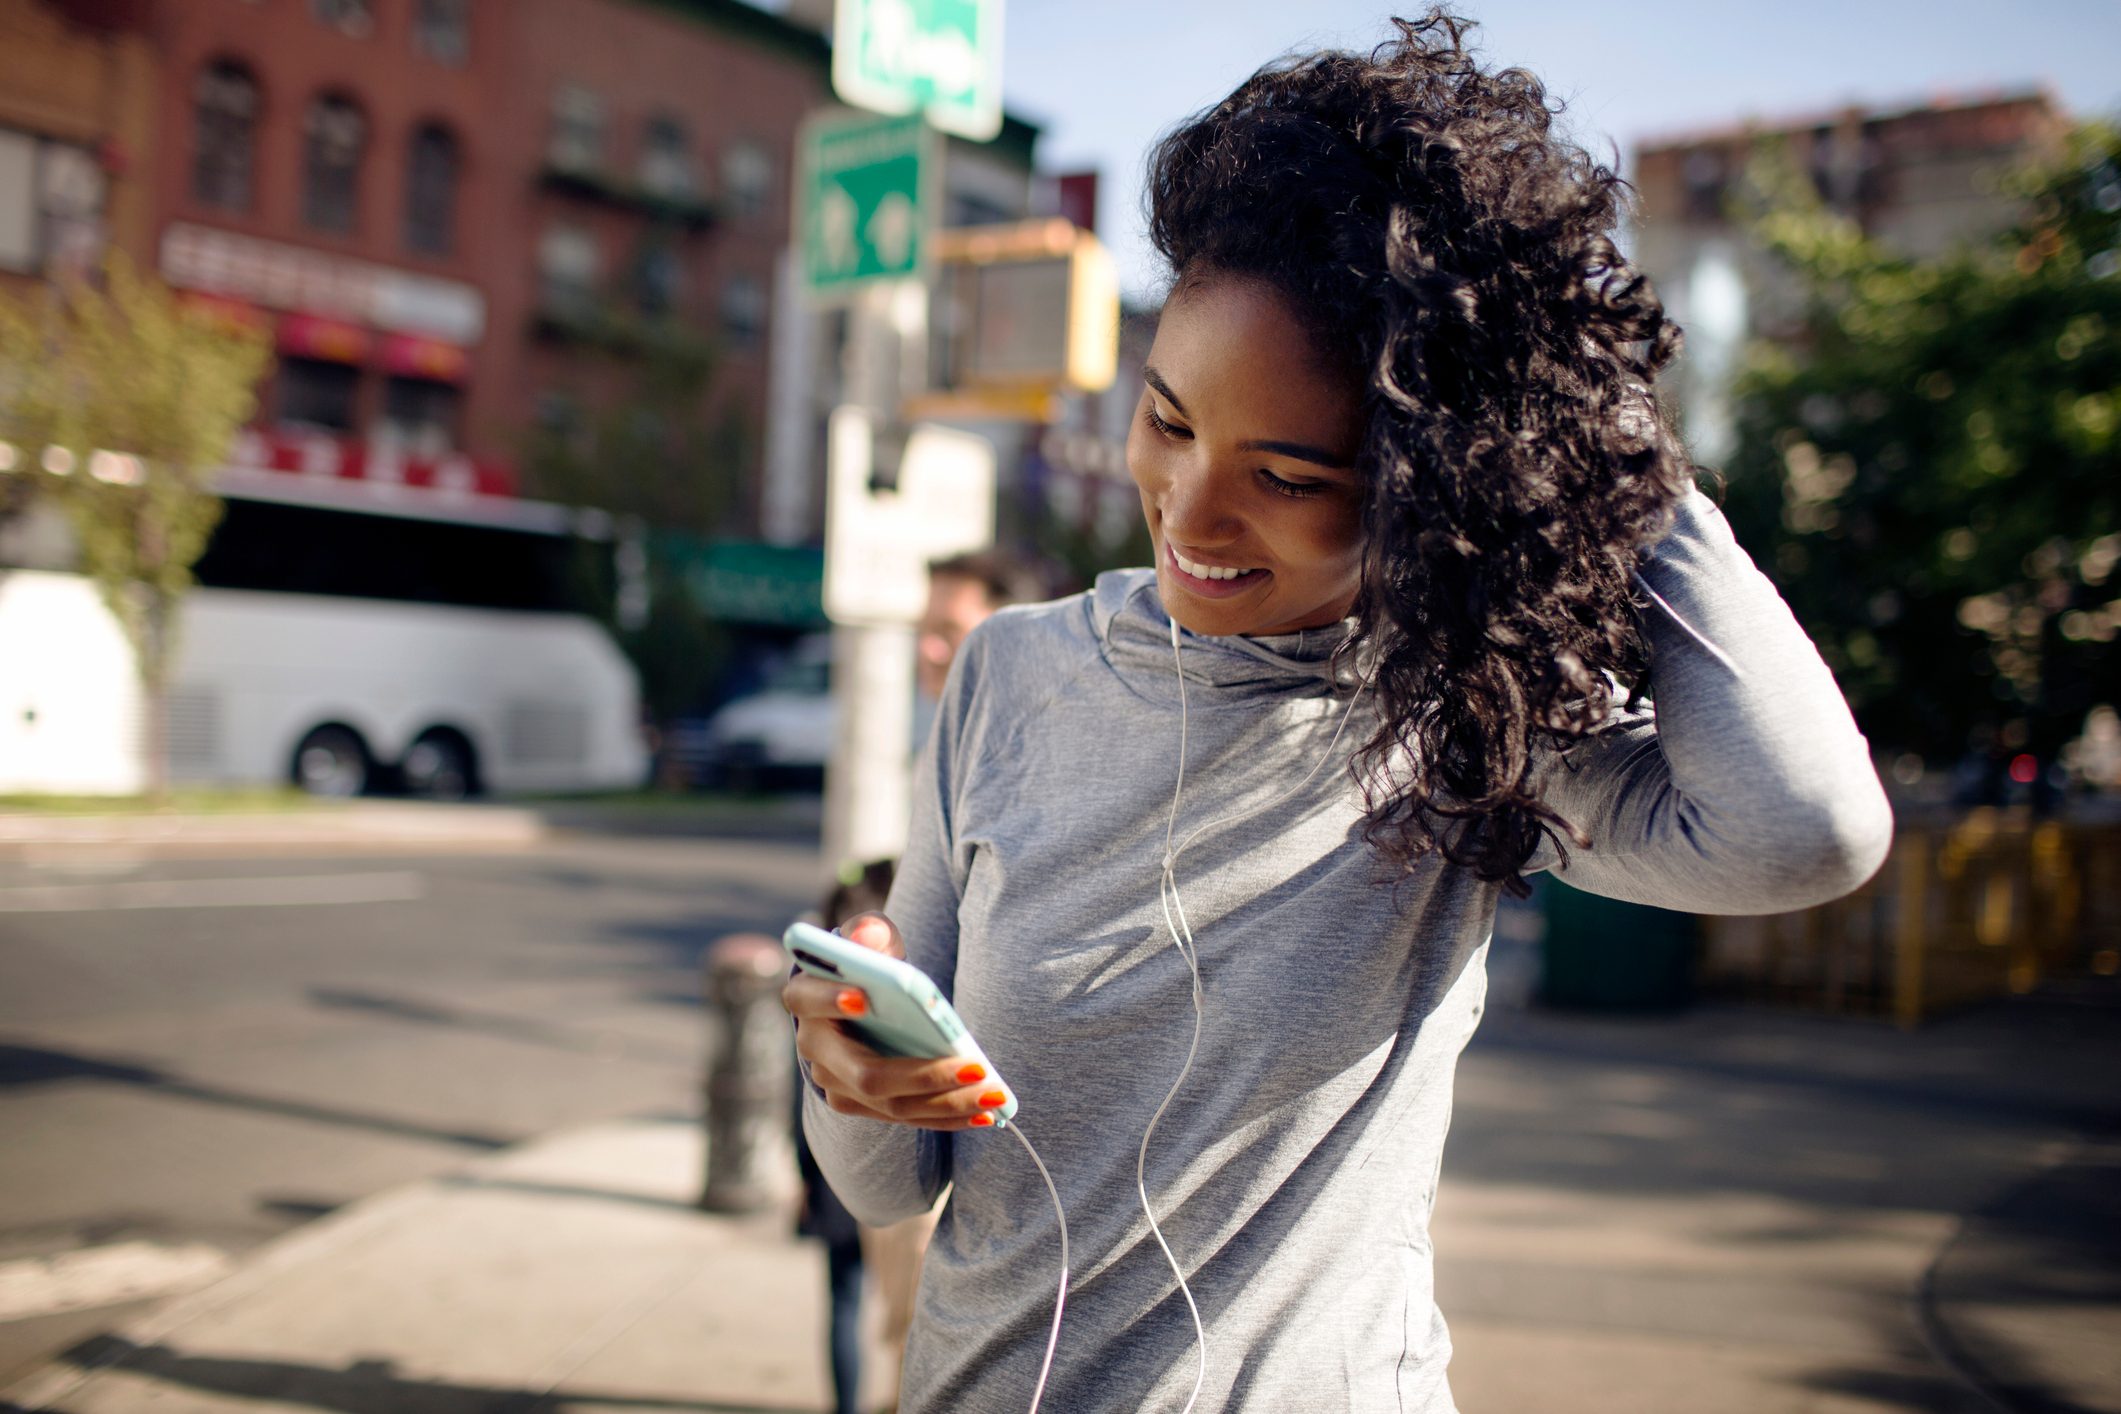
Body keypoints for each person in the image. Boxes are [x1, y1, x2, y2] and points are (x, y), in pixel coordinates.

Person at [785, 12, 1895, 1412]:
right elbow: (894, 1185)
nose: (1192, 512)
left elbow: (1805, 831)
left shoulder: (1463, 721)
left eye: (1290, 475)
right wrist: (847, 1069)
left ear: (1429, 477)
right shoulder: (1009, 673)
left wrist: (1605, 445)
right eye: (1168, 420)